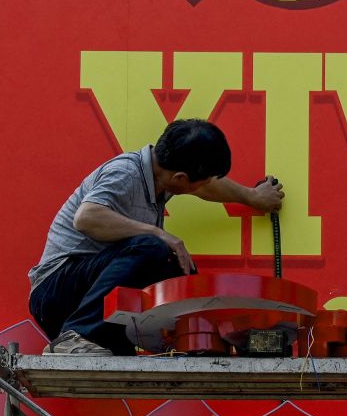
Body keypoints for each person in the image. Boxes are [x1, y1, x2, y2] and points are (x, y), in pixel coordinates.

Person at [29, 118, 284, 355]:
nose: (200, 187)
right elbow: (86, 218)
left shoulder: (161, 174)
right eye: (196, 182)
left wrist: (253, 197)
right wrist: (157, 231)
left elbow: (209, 186)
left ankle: (197, 343)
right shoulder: (126, 173)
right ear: (180, 178)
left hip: (94, 297)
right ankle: (74, 339)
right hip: (57, 293)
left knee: (182, 273)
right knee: (154, 247)